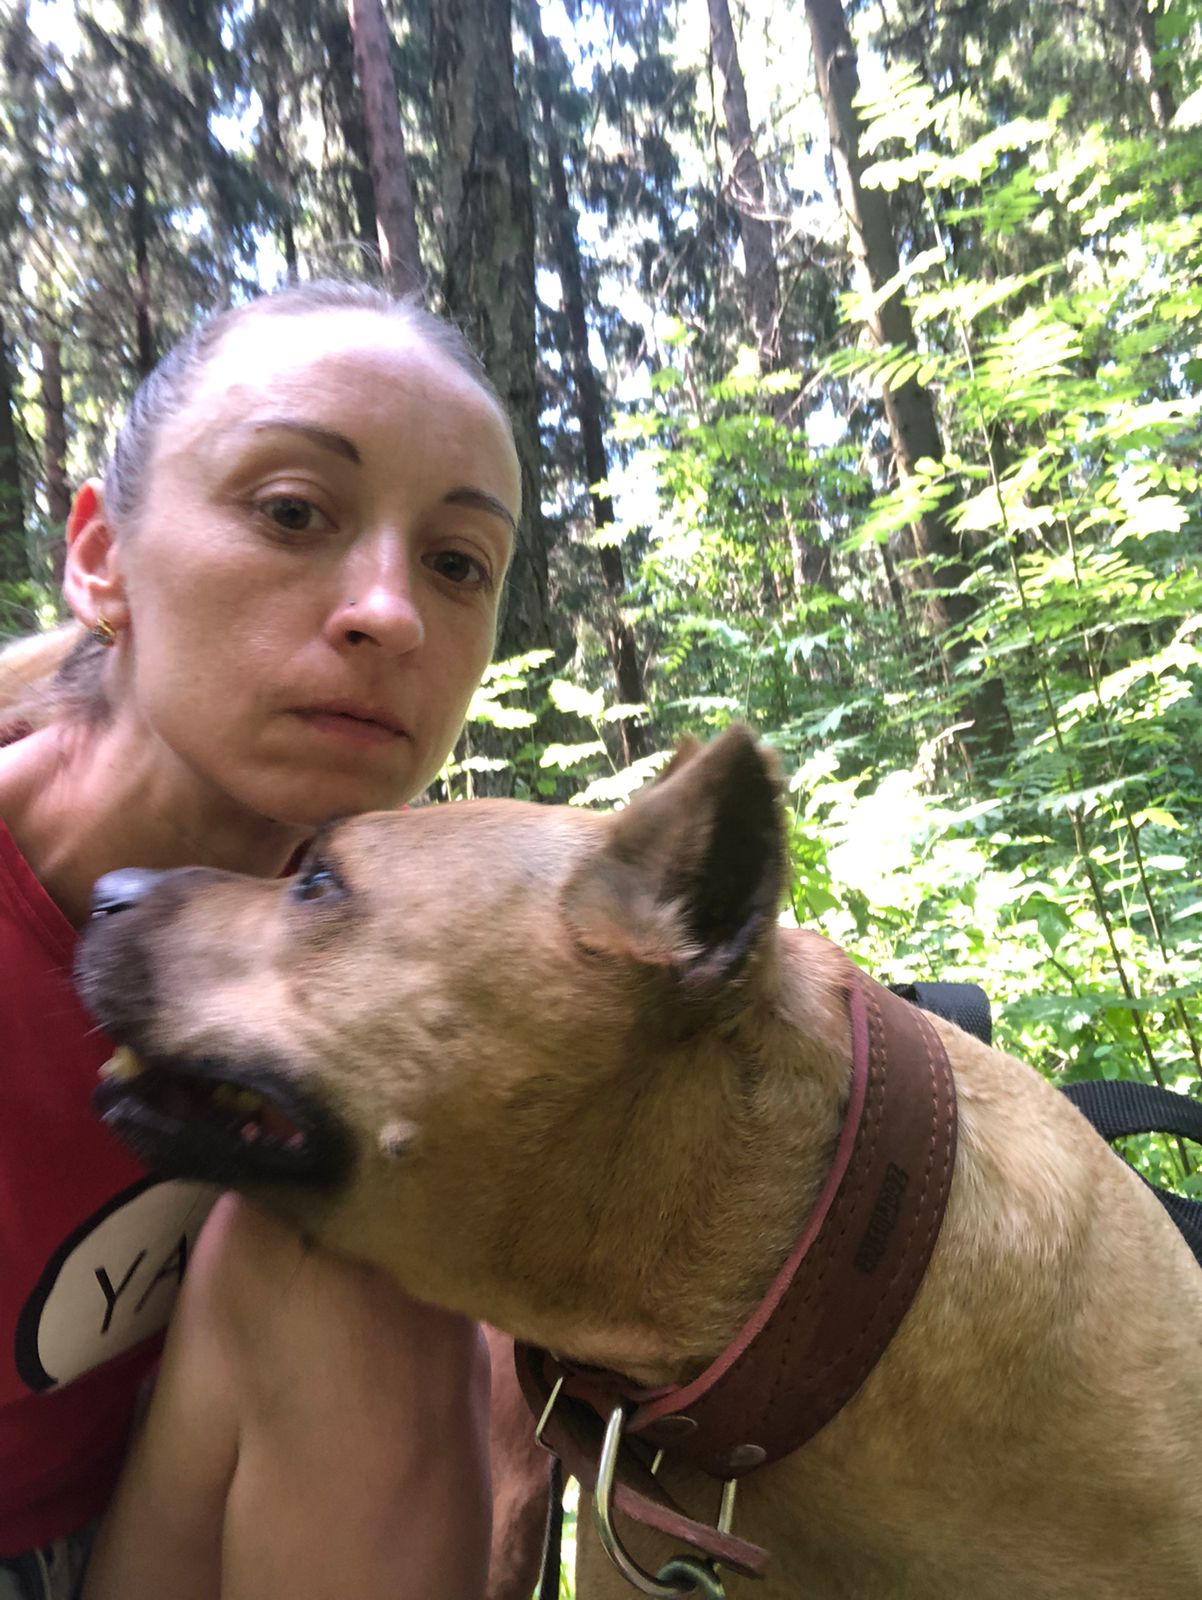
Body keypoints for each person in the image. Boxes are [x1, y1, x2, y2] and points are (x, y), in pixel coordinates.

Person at [0, 279, 532, 1600]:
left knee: (369, 1244)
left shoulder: (407, 945)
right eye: (293, 512)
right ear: (101, 558)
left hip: (140, 1513)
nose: (391, 613)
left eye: (456, 563)